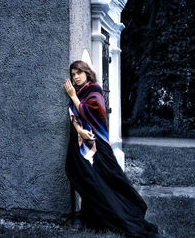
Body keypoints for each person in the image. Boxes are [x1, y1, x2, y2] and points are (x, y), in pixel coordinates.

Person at [64, 60, 158, 238]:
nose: (75, 77)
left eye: (79, 72)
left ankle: (121, 215)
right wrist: (80, 130)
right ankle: (92, 219)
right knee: (85, 179)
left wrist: (73, 97)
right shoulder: (77, 92)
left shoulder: (94, 90)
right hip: (79, 142)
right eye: (73, 74)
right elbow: (74, 115)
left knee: (104, 182)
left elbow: (92, 113)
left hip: (97, 145)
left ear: (87, 73)